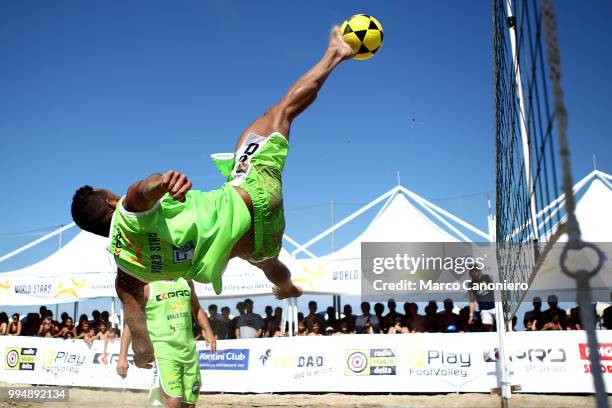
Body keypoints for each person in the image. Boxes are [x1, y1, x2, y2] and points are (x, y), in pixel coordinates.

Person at [70, 27, 354, 367]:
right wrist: (163, 183)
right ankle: (336, 53)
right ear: (110, 202)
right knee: (279, 113)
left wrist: (143, 355)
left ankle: (287, 286)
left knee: (268, 263)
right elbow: (140, 191)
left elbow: (139, 337)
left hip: (259, 241)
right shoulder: (128, 209)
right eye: (112, 194)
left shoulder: (126, 274)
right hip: (253, 196)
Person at [117, 278, 215, 408]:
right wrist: (122, 357)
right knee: (173, 401)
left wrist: (207, 330)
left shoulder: (186, 281)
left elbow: (196, 308)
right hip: (164, 352)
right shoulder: (148, 287)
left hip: (189, 351)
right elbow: (132, 323)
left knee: (190, 404)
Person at [468, 267, 496, 331]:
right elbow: (472, 301)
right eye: (472, 271)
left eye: (475, 270)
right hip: (484, 309)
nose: (474, 272)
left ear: (479, 271)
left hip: (495, 307)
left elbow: (499, 287)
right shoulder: (471, 284)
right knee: (487, 327)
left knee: (504, 324)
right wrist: (471, 315)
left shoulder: (488, 277)